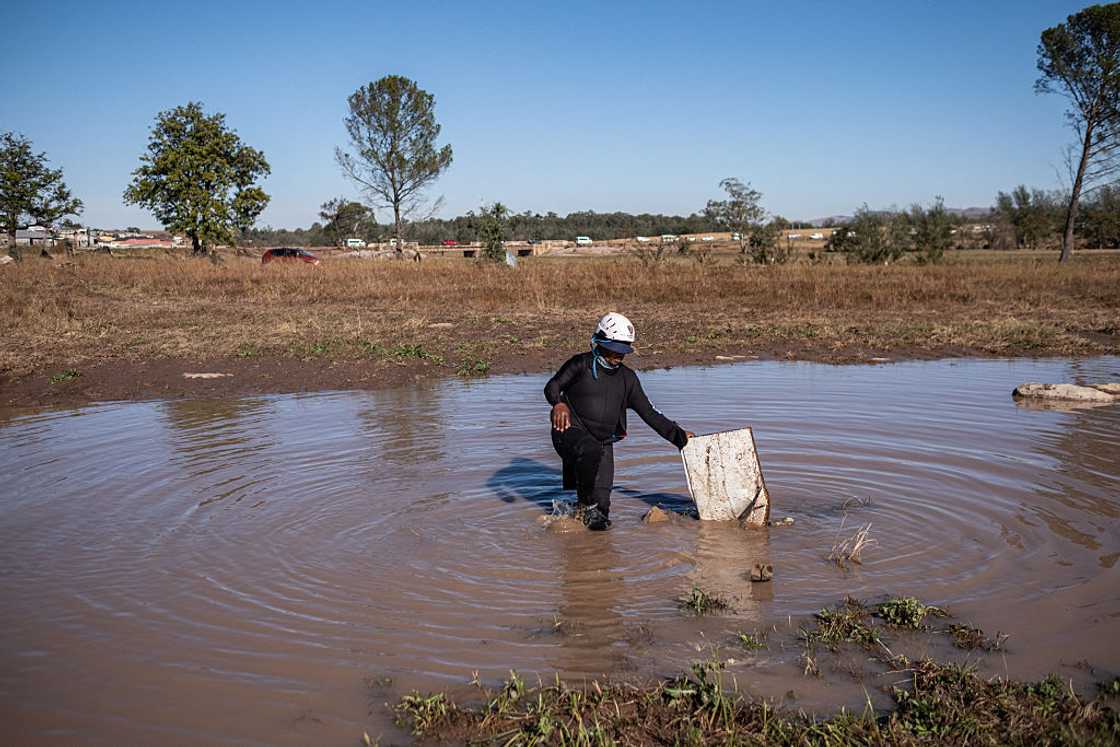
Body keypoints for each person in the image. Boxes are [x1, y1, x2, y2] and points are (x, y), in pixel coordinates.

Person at [544, 312, 693, 530]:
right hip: (568, 432)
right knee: (590, 453)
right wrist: (558, 403)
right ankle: (586, 506)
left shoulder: (627, 379)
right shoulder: (580, 364)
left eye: (623, 351)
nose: (619, 356)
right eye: (615, 350)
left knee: (601, 519)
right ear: (600, 342)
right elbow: (552, 387)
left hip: (603, 443)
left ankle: (582, 529)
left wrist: (679, 436)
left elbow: (650, 413)